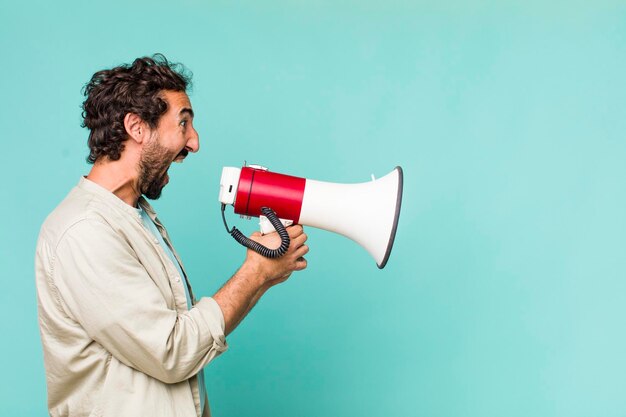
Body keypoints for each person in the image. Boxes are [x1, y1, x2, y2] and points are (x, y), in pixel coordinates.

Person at [35, 54, 309, 417]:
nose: (194, 142)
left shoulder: (136, 216)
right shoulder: (84, 232)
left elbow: (180, 344)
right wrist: (256, 272)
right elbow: (172, 351)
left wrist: (264, 275)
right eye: (183, 123)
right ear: (136, 127)